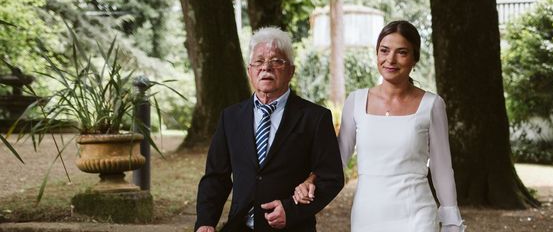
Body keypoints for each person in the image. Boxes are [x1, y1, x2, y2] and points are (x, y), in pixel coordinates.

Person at [293, 20, 465, 232]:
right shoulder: (356, 101)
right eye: (384, 51)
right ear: (377, 54)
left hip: (416, 214)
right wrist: (311, 180)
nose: (390, 59)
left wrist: (451, 221)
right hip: (368, 214)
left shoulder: (432, 105)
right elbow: (337, 157)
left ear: (414, 59)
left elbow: (441, 168)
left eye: (401, 52)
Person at [195, 27, 344, 232]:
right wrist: (205, 222)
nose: (266, 67)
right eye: (259, 61)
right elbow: (216, 178)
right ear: (249, 70)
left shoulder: (315, 118)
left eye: (276, 61)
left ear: (291, 70)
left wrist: (291, 211)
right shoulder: (230, 117)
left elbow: (331, 178)